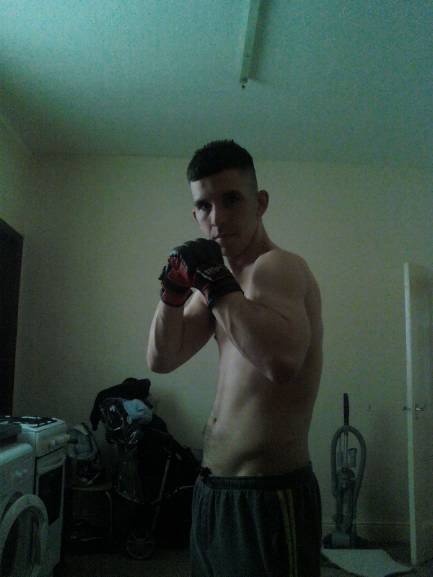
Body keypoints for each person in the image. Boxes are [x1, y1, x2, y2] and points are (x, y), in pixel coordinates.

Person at [147, 139, 323, 577]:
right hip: (213, 490)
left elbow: (281, 363)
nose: (217, 218)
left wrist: (214, 283)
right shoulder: (219, 287)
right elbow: (162, 359)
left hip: (268, 495)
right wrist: (172, 294)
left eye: (231, 200)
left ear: (259, 203)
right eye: (203, 206)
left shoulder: (278, 266)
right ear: (195, 215)